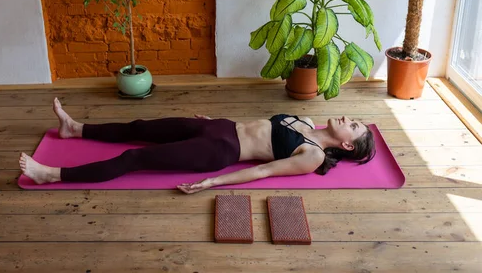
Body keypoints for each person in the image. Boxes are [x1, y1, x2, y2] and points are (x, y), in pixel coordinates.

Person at [19, 98, 375, 194]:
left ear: (345, 145)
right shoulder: (304, 121)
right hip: (218, 127)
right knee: (140, 127)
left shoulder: (311, 156)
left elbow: (262, 169)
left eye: (354, 126)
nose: (347, 118)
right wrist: (214, 120)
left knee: (134, 157)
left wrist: (213, 182)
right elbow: (256, 125)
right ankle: (75, 128)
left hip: (218, 152)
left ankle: (52, 174)